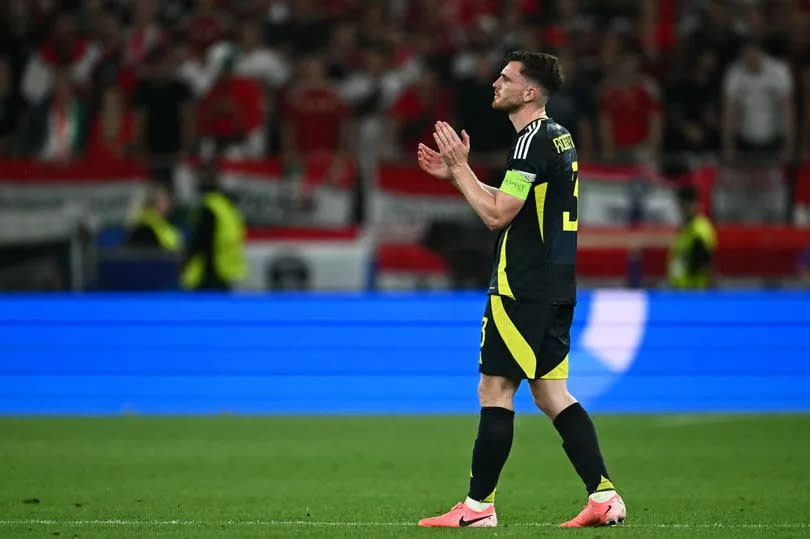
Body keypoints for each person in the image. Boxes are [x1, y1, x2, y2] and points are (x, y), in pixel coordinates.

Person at [415, 51, 626, 529]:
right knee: (552, 393)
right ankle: (603, 497)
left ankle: (477, 507)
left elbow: (496, 216)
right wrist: (458, 175)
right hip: (555, 283)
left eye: (506, 78)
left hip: (522, 285)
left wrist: (460, 166)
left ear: (529, 92)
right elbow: (509, 203)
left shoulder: (532, 140)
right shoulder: (557, 136)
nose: (495, 82)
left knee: (495, 387)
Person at [181, 163, 246, 291]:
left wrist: (186, 259)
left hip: (209, 271)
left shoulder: (209, 208)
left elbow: (200, 240)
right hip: (225, 270)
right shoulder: (226, 206)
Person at [668, 185, 716, 289]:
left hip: (694, 292)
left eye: (687, 204)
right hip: (679, 290)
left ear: (695, 204)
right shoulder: (684, 228)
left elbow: (705, 263)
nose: (683, 208)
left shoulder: (700, 228)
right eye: (681, 204)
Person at [126, 182, 182, 252]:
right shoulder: (143, 230)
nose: (170, 204)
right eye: (165, 201)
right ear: (155, 203)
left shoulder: (164, 224)